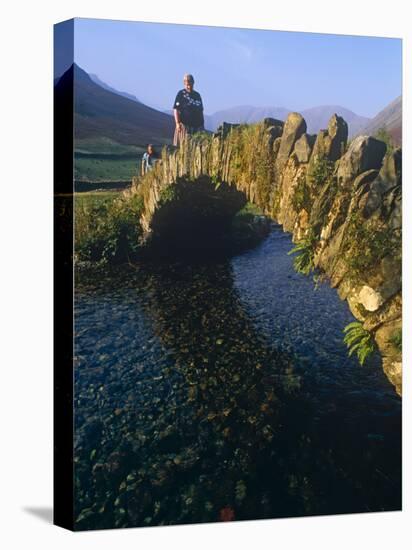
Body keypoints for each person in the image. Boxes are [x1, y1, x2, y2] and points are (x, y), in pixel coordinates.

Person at [173, 73, 204, 146]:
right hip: (184, 127)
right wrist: (177, 123)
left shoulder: (197, 95)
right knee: (182, 147)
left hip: (197, 127)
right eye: (185, 81)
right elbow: (176, 109)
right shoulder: (181, 94)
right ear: (184, 83)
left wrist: (202, 125)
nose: (187, 82)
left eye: (189, 80)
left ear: (193, 82)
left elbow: (201, 110)